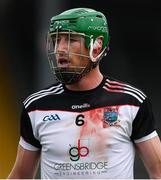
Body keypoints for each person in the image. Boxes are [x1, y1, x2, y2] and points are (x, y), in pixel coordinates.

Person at [8, 7, 161, 179]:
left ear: (97, 46)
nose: (60, 49)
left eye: (71, 39)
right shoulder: (36, 107)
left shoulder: (131, 102)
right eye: (56, 41)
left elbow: (158, 172)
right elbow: (21, 176)